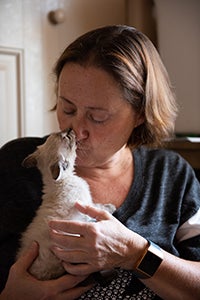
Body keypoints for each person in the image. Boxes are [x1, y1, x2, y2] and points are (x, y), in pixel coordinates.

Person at [0, 25, 200, 300]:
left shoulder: (171, 174)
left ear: (140, 114)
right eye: (67, 108)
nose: (75, 130)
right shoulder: (17, 164)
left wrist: (135, 254)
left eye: (97, 117)